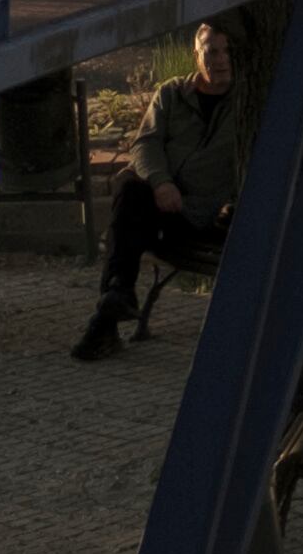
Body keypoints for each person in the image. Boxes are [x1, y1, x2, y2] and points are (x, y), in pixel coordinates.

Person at [73, 24, 242, 363]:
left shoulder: (246, 102)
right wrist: (162, 182)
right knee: (130, 185)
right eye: (211, 51)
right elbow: (145, 143)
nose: (220, 60)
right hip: (158, 205)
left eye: (227, 51)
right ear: (197, 55)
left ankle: (112, 303)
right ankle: (117, 295)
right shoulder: (172, 94)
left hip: (201, 217)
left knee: (127, 217)